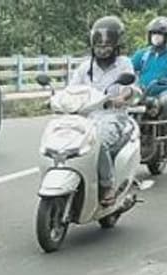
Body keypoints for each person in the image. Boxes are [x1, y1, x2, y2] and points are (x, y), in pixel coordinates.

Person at [69, 16, 142, 206]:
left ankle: (107, 184)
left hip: (114, 117)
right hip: (85, 117)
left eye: (107, 45)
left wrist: (123, 97)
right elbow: (71, 89)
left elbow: (131, 87)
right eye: (98, 45)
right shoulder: (85, 67)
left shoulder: (124, 64)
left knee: (96, 140)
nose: (102, 49)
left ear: (116, 45)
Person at [131, 16, 167, 156]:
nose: (156, 37)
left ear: (166, 36)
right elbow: (129, 68)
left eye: (159, 34)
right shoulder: (142, 54)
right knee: (128, 106)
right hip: (144, 92)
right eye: (153, 33)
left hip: (165, 91)